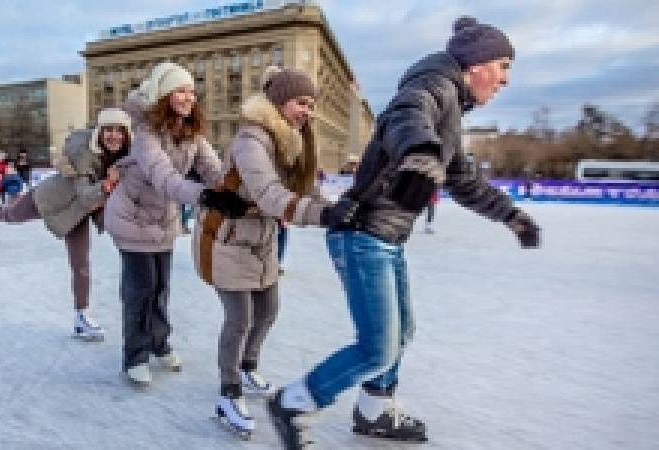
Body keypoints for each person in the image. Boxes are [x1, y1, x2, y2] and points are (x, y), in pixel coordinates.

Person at [267, 17, 541, 449]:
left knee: (401, 333)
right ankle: (294, 402)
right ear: (475, 64)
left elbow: (463, 180)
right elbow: (408, 115)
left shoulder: (451, 110)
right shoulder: (434, 84)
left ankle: (375, 410)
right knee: (377, 347)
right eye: (503, 65)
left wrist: (510, 215)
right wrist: (419, 153)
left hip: (385, 237)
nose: (505, 79)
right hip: (362, 232)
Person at [193, 66, 360, 438]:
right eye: (301, 103)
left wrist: (335, 207)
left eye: (311, 104)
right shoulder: (252, 140)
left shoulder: (290, 141)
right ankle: (228, 391)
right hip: (226, 236)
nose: (308, 111)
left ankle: (248, 366)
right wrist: (324, 216)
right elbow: (269, 195)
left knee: (268, 311)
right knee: (238, 319)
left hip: (260, 239)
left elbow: (305, 190)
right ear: (280, 102)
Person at [104, 62, 250, 387]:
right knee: (140, 290)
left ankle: (158, 342)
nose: (188, 98)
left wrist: (241, 193)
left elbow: (214, 171)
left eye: (191, 92)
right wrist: (208, 199)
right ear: (164, 94)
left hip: (163, 221)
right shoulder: (145, 133)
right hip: (132, 218)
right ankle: (136, 355)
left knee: (161, 288)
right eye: (180, 91)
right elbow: (165, 180)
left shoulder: (190, 133)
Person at [0, 108, 132, 340]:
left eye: (119, 131)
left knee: (80, 262)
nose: (114, 136)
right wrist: (108, 184)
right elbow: (86, 195)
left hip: (78, 213)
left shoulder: (126, 156)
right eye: (109, 130)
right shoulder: (84, 153)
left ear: (127, 134)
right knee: (12, 214)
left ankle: (81, 316)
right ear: (100, 132)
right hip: (52, 199)